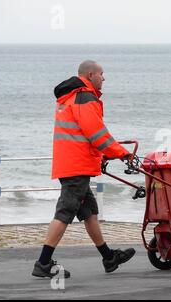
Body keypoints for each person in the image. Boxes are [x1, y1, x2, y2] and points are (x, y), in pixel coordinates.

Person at [32, 60, 135, 278]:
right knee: (64, 213)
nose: (104, 78)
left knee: (89, 212)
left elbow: (82, 134)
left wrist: (105, 153)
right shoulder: (84, 98)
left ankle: (108, 258)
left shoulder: (69, 97)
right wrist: (121, 153)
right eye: (102, 74)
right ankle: (42, 263)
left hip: (71, 163)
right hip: (76, 167)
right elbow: (96, 133)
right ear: (90, 75)